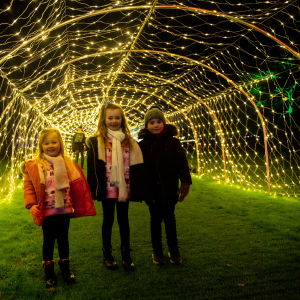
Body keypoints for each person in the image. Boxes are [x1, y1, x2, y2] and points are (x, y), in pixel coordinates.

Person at [22, 128, 96, 289]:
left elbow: (77, 185)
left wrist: (79, 204)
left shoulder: (67, 163)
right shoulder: (36, 165)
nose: (50, 145)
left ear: (60, 144)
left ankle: (65, 268)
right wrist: (31, 205)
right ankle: (48, 271)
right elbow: (29, 187)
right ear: (41, 146)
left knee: (63, 239)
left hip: (64, 209)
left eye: (54, 142)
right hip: (47, 210)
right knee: (48, 240)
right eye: (46, 143)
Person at [86, 102, 147, 271]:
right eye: (110, 118)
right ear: (104, 120)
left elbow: (138, 166)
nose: (114, 121)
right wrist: (93, 189)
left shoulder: (129, 142)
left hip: (124, 188)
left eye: (117, 117)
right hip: (107, 189)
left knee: (123, 220)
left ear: (122, 119)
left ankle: (126, 254)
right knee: (108, 220)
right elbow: (91, 169)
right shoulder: (97, 141)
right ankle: (107, 254)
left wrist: (139, 190)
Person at [137, 106, 192, 265]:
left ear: (164, 123)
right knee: (155, 220)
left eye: (159, 121)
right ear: (147, 125)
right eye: (152, 122)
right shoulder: (143, 145)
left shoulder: (173, 143)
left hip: (170, 189)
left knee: (170, 219)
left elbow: (182, 163)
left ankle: (174, 249)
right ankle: (157, 250)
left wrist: (185, 183)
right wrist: (142, 190)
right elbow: (140, 169)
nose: (155, 125)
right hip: (152, 191)